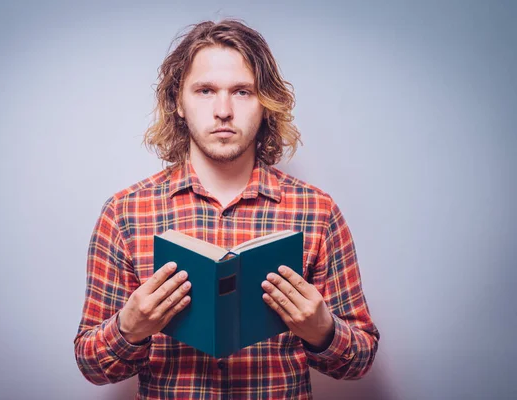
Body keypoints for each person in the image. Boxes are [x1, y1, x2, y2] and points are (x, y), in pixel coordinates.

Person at [74, 19, 380, 399]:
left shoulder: (317, 211)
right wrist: (129, 327)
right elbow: (91, 365)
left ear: (265, 104)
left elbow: (361, 357)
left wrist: (323, 330)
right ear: (178, 104)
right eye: (205, 90)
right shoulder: (124, 214)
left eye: (241, 92)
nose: (223, 110)